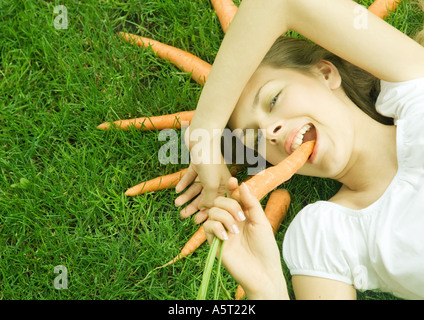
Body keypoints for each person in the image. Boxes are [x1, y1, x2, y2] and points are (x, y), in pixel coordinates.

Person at [175, 0, 424, 299]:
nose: (270, 133)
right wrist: (268, 289)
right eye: (255, 139)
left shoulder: (414, 84)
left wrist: (204, 133)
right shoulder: (324, 234)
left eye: (274, 99)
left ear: (325, 73)